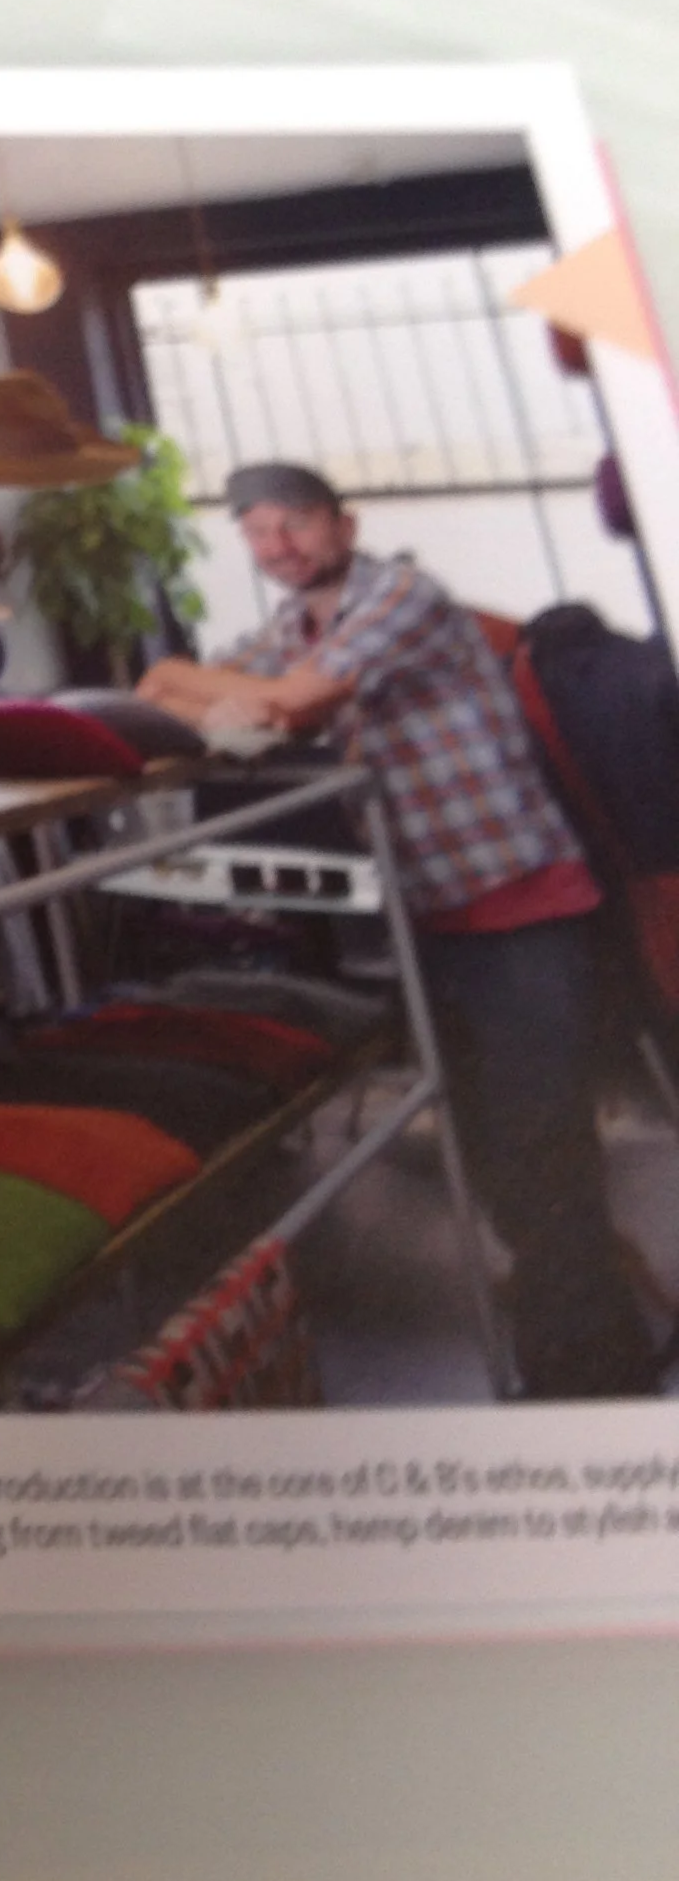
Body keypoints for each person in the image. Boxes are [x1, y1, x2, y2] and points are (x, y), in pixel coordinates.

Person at [137, 459, 660, 1400]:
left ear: (343, 522)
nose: (276, 546)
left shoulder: (401, 595)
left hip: (522, 900)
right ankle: (576, 1314)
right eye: (255, 532)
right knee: (495, 1142)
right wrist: (199, 689)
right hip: (436, 911)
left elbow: (280, 705)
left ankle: (592, 1381)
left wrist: (172, 671)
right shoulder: (294, 630)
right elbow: (207, 703)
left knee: (537, 1140)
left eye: (293, 522)